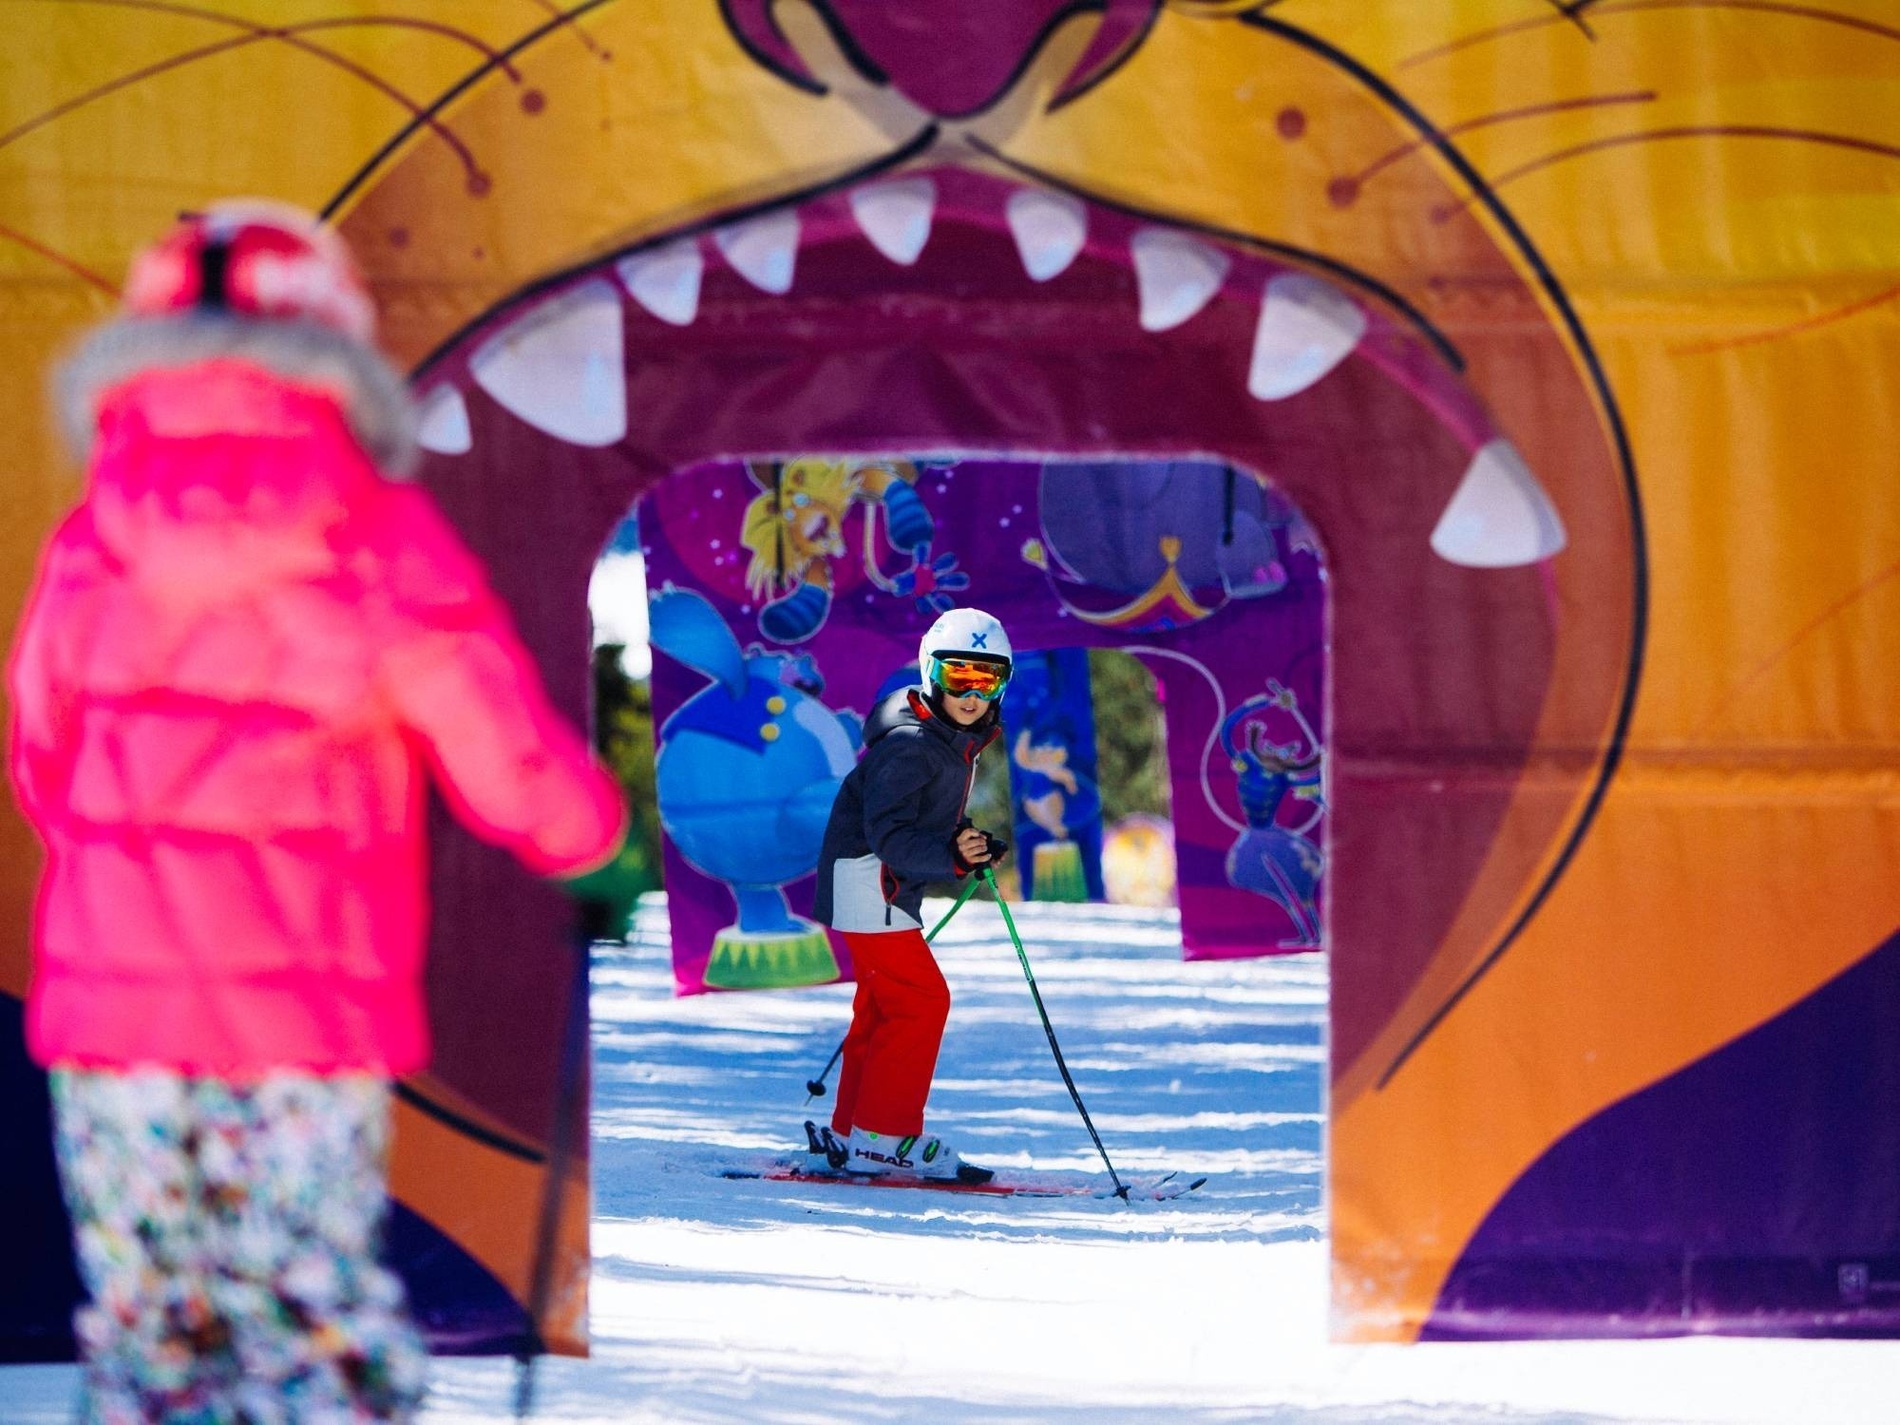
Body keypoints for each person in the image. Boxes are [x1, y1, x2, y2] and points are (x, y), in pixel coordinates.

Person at [8, 201, 627, 1422]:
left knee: (151, 1323)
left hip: (111, 1033)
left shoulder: (90, 546)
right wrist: (594, 850)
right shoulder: (378, 538)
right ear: (337, 346)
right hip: (301, 1028)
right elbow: (499, 748)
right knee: (310, 1316)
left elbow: (40, 758)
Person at [808, 608, 1014, 1183]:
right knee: (921, 1000)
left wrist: (965, 839)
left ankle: (853, 1133)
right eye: (959, 678)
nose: (972, 695)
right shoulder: (913, 744)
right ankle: (884, 1137)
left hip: (869, 881)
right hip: (871, 879)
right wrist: (952, 855)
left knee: (880, 1007)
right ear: (931, 675)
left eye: (987, 680)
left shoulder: (946, 740)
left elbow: (922, 813)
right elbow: (892, 835)